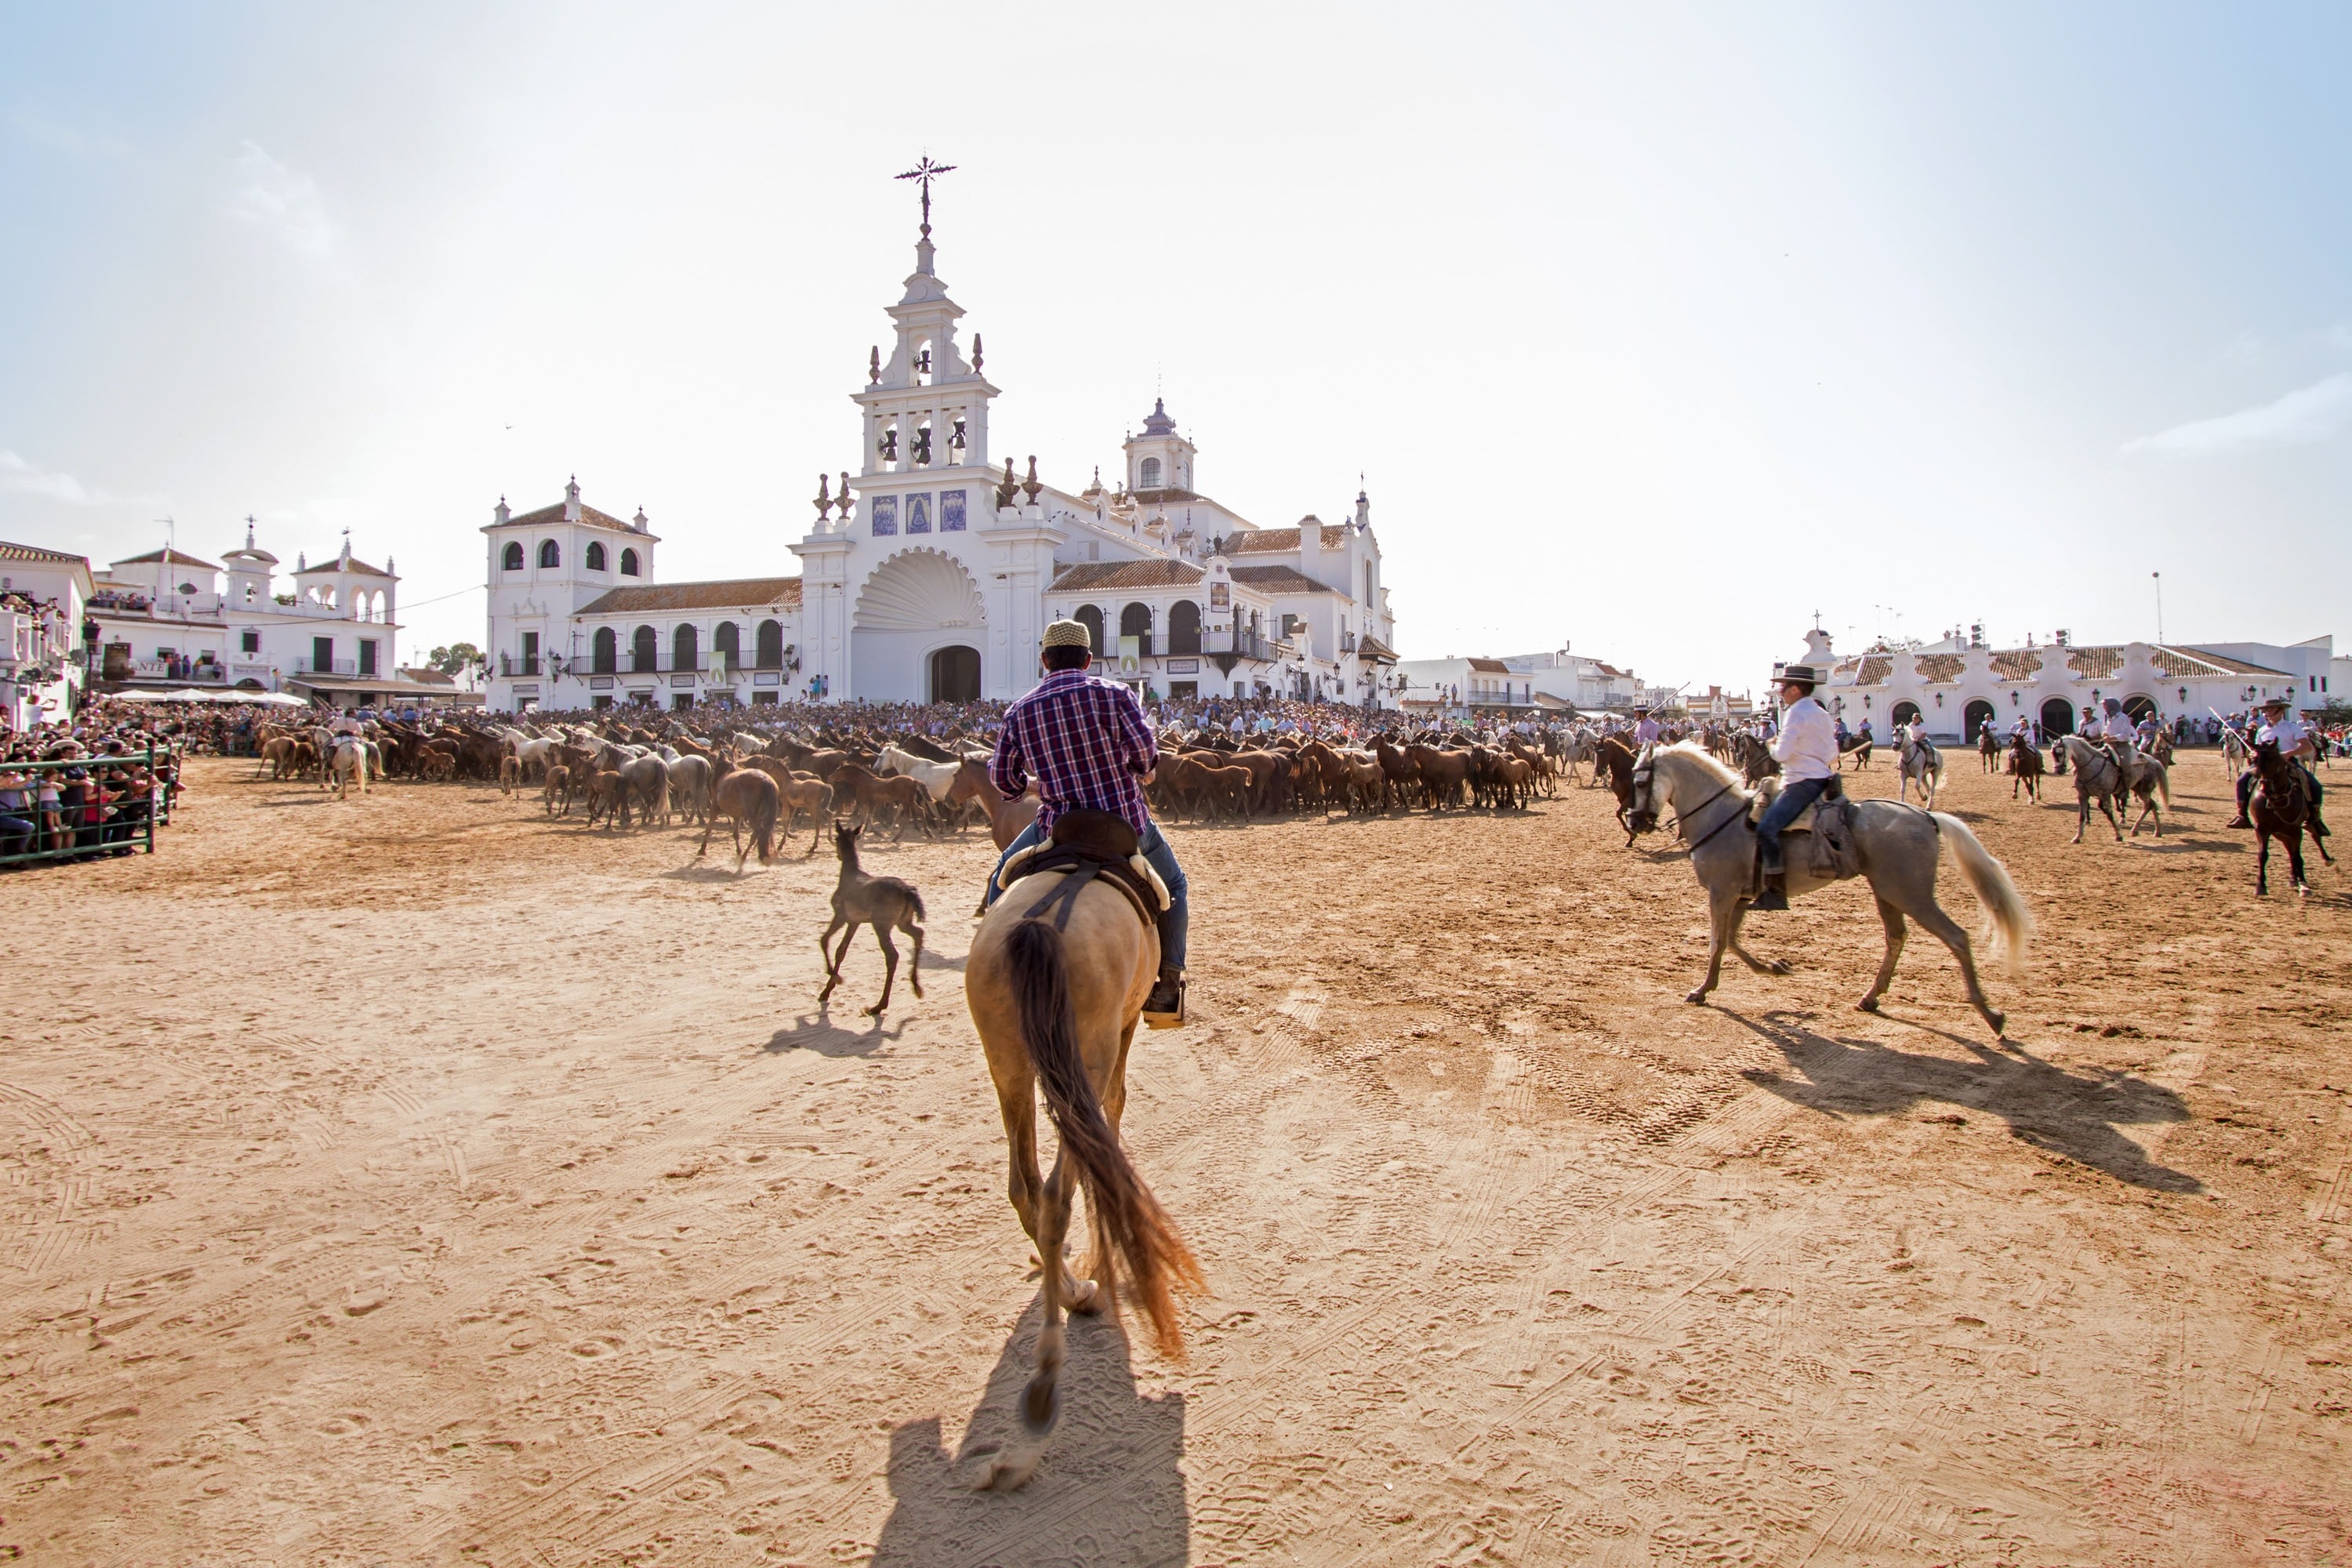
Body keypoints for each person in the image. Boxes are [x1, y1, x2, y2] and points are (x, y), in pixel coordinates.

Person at [984, 619, 1190, 1026]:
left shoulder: (1020, 710)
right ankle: (1168, 982)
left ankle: (994, 970)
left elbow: (1002, 780)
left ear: (1045, 660)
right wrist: (1140, 769)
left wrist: (1031, 785)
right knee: (1176, 887)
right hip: (1124, 822)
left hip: (1057, 826)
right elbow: (1146, 755)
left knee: (1000, 877)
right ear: (1088, 659)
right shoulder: (1115, 694)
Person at [1751, 665, 1838, 912]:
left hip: (1800, 782)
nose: (1780, 691)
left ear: (1796, 689)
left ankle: (1776, 893)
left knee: (1766, 829)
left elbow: (1782, 755)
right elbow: (1833, 754)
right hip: (1822, 779)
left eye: (1784, 686)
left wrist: (1771, 745)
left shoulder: (1796, 713)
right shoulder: (1822, 714)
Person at [2228, 695, 2325, 831]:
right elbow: (2258, 748)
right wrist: (2254, 753)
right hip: (2265, 764)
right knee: (2242, 781)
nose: (2267, 712)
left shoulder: (2293, 728)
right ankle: (2242, 815)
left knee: (2315, 785)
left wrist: (2288, 753)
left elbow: (2307, 747)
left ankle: (2314, 819)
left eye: (2271, 709)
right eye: (2266, 710)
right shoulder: (2262, 730)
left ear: (2281, 711)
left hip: (2288, 762)